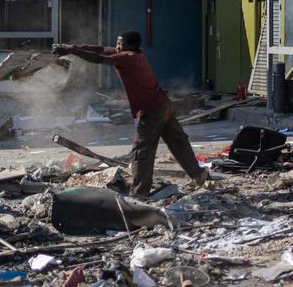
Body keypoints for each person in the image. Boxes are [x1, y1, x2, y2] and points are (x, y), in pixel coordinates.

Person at [53, 30, 209, 197]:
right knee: (178, 142)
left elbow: (99, 59)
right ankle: (199, 176)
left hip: (151, 110)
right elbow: (99, 49)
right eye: (117, 43)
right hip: (163, 104)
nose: (117, 46)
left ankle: (139, 194)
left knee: (142, 153)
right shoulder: (132, 53)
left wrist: (71, 51)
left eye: (121, 44)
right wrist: (72, 46)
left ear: (132, 46)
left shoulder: (128, 57)